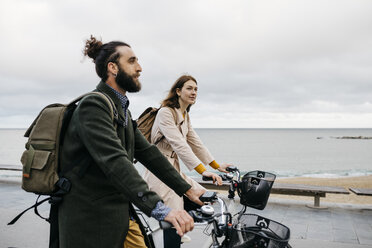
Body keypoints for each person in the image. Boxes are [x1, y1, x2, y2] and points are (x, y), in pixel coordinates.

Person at [57, 36, 205, 248]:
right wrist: (160, 208)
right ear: (113, 68)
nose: (140, 68)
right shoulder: (94, 105)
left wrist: (187, 189)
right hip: (91, 219)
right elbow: (115, 161)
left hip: (120, 213)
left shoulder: (121, 110)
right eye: (132, 61)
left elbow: (149, 153)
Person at [143, 74, 232, 248]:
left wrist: (216, 165)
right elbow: (179, 145)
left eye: (196, 89)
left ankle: (179, 232)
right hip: (159, 170)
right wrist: (202, 170)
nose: (193, 92)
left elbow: (195, 142)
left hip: (173, 168)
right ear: (178, 91)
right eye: (189, 88)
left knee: (202, 195)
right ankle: (173, 239)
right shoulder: (165, 113)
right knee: (174, 215)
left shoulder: (184, 115)